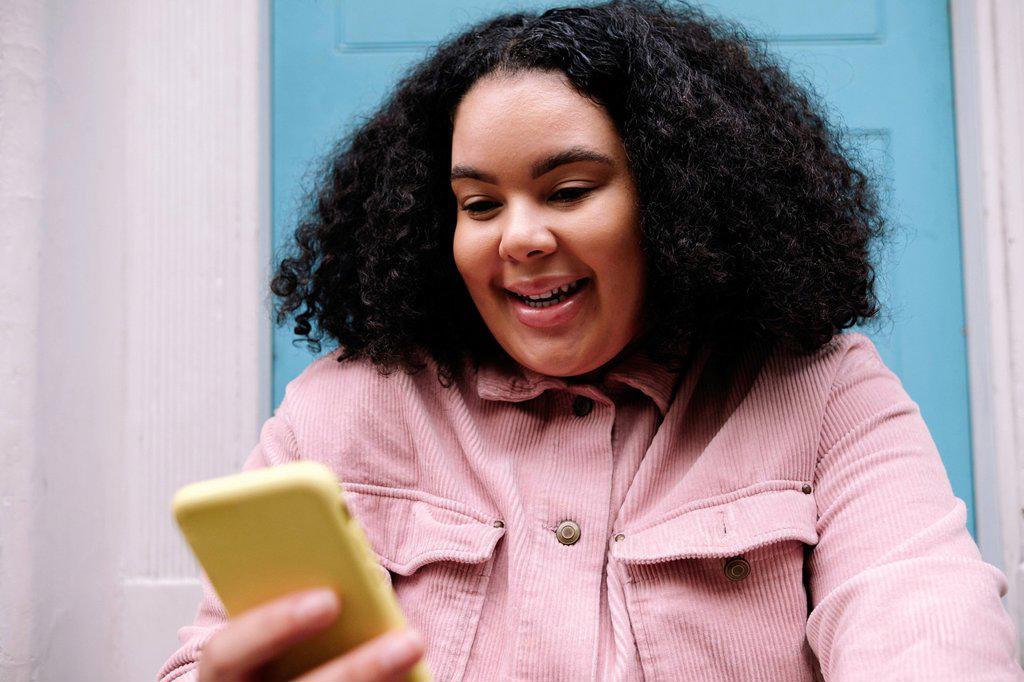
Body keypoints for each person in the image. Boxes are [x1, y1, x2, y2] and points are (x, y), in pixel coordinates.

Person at [157, 1, 1023, 680]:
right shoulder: (340, 411)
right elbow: (212, 657)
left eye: (568, 191)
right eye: (480, 204)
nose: (518, 238)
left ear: (677, 202)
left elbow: (923, 622)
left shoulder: (827, 396)